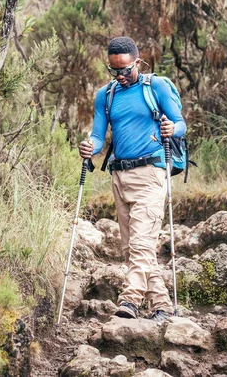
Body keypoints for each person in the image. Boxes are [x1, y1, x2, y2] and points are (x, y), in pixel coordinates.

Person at [79, 36, 186, 322]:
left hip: (152, 172)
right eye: (114, 71)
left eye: (126, 70)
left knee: (141, 243)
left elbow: (181, 124)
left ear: (137, 62)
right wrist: (90, 146)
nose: (121, 76)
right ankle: (162, 306)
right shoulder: (106, 94)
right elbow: (99, 135)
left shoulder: (157, 86)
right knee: (131, 248)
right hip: (119, 175)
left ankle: (129, 301)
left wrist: (170, 128)